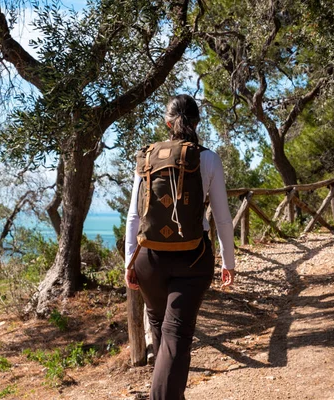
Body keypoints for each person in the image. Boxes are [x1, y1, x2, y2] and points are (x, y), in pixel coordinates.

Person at [124, 94, 236, 400]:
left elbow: (134, 215)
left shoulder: (147, 155)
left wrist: (129, 263)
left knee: (161, 329)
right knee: (177, 336)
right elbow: (222, 217)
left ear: (167, 121)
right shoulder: (208, 158)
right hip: (192, 256)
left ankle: (167, 394)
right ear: (197, 122)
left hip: (149, 258)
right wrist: (229, 261)